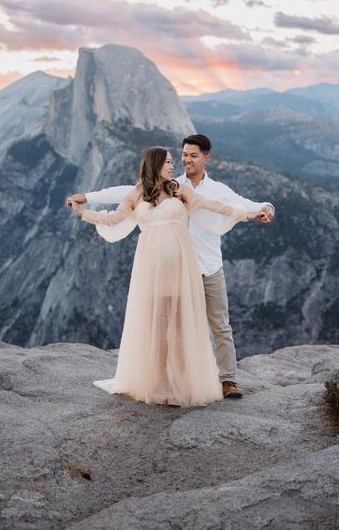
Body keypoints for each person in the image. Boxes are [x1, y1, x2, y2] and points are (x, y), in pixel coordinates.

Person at [68, 134, 275, 399]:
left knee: (216, 325)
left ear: (205, 158)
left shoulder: (192, 189)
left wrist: (256, 211)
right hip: (162, 271)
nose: (181, 162)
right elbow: (118, 205)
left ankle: (226, 379)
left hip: (204, 266)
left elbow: (223, 205)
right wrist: (85, 204)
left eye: (192, 155)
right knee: (166, 324)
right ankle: (164, 380)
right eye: (177, 157)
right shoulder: (154, 189)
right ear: (158, 165)